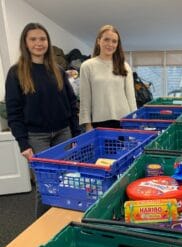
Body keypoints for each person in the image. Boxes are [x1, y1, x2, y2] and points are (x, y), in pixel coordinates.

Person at [5, 23, 81, 217]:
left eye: (42, 39)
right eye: (33, 39)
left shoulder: (58, 70)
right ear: (25, 43)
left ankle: (62, 222)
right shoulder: (16, 73)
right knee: (45, 186)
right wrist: (23, 143)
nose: (39, 43)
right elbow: (13, 112)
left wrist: (76, 136)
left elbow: (71, 104)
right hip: (36, 137)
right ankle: (41, 233)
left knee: (67, 180)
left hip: (63, 132)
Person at [79, 24, 137, 131]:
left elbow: (131, 97)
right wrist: (87, 125)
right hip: (98, 122)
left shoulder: (124, 66)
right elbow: (85, 99)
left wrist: (134, 121)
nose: (110, 44)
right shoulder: (87, 66)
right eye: (106, 39)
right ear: (98, 41)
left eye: (114, 41)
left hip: (123, 121)